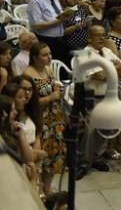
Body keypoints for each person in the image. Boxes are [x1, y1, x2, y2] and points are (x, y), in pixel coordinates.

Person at [22, 43, 65, 195]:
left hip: (54, 117)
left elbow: (52, 85)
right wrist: (49, 98)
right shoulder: (28, 74)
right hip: (41, 119)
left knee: (55, 154)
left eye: (50, 53)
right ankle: (38, 187)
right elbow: (28, 102)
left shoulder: (47, 69)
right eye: (45, 55)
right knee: (43, 154)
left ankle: (47, 186)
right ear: (34, 57)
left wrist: (57, 90)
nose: (49, 57)